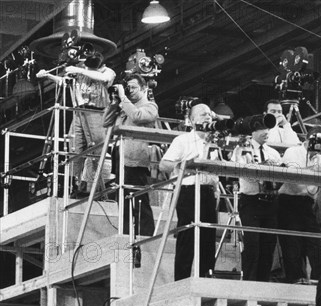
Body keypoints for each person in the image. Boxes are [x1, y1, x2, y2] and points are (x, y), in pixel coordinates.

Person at [37, 53, 116, 196]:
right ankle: (75, 183)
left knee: (97, 148)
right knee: (75, 147)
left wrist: (78, 70)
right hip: (79, 112)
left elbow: (104, 78)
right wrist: (47, 76)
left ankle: (98, 185)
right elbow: (64, 82)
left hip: (97, 113)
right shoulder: (80, 70)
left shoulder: (107, 71)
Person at [159, 103, 219, 280]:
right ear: (192, 120)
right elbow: (164, 165)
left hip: (209, 192)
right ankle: (182, 280)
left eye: (209, 114)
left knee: (208, 238)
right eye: (202, 115)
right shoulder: (182, 140)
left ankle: (205, 279)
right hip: (189, 191)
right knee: (188, 237)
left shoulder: (214, 142)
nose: (207, 117)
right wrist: (185, 166)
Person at [102, 74, 158, 237]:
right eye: (128, 87)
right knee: (123, 199)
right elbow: (105, 122)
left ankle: (146, 235)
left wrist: (123, 99)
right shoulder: (124, 105)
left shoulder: (150, 106)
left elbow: (137, 116)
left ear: (143, 89)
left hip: (136, 160)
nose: (130, 90)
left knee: (139, 198)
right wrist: (114, 103)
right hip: (120, 158)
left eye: (133, 87)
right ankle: (126, 233)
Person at [277, 125, 321, 283]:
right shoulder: (293, 151)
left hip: (307, 204)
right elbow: (294, 181)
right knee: (292, 247)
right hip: (289, 202)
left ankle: (320, 284)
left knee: (319, 248)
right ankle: (296, 282)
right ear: (311, 139)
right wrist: (314, 170)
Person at [231, 121, 282, 281]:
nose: (266, 131)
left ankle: (263, 282)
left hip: (271, 201)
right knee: (252, 245)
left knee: (268, 245)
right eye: (261, 128)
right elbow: (237, 169)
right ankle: (249, 282)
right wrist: (261, 167)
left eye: (267, 128)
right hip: (251, 201)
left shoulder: (273, 153)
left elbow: (283, 175)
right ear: (252, 131)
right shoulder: (241, 149)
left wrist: (276, 171)